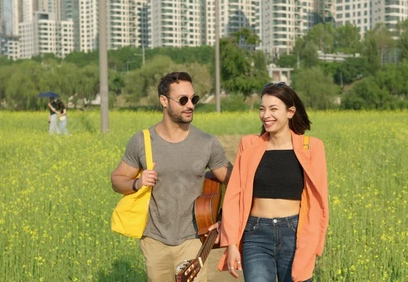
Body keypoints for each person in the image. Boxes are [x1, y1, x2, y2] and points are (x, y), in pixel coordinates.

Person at [111, 71, 232, 282]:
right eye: (183, 100)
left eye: (193, 99)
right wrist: (137, 182)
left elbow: (234, 181)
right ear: (163, 101)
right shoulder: (142, 141)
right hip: (154, 240)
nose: (190, 105)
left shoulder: (207, 143)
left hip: (193, 239)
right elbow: (117, 179)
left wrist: (224, 218)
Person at [216, 82, 329, 282]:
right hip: (256, 234)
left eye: (273, 109)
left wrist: (313, 243)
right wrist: (232, 243)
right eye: (262, 109)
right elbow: (235, 195)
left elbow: (320, 202)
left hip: (294, 233)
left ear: (290, 112)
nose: (266, 115)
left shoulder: (312, 147)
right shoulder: (249, 145)